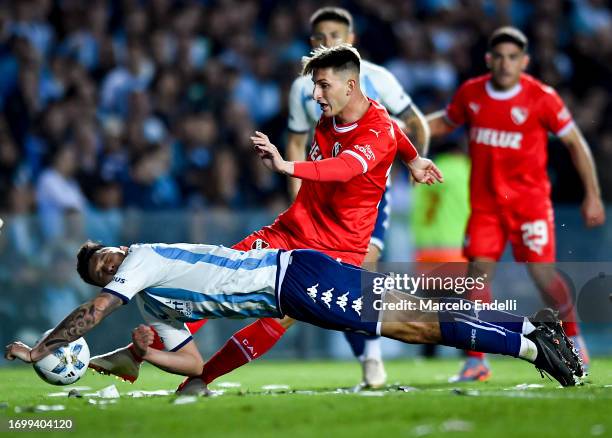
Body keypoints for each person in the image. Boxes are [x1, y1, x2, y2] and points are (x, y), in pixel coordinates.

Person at [87, 45, 442, 391]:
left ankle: (198, 378)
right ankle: (143, 352)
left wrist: (287, 166)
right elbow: (396, 133)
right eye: (315, 85)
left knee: (280, 317)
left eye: (323, 86)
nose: (316, 94)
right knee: (213, 277)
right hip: (290, 229)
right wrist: (413, 160)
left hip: (334, 250)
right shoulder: (339, 114)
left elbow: (345, 166)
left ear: (350, 84)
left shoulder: (374, 126)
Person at [5, 240, 583, 390]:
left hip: (293, 278)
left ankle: (530, 346)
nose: (110, 266)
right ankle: (533, 331)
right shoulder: (156, 298)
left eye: (106, 256)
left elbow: (92, 310)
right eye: (101, 269)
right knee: (413, 315)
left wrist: (41, 349)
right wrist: (143, 353)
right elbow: (194, 361)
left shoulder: (144, 259)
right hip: (294, 288)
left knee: (410, 325)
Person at [427, 26, 606, 381]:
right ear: (489, 60)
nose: (506, 64)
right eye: (500, 57)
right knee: (476, 280)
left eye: (514, 58)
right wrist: (404, 126)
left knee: (544, 277)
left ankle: (573, 336)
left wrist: (593, 194)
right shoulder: (472, 93)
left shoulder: (542, 97)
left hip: (531, 206)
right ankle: (477, 359)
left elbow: (575, 143)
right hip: (486, 209)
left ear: (524, 61)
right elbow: (445, 123)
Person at [285, 7, 431, 384]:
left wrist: (411, 164)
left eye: (334, 35)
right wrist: (298, 197)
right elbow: (297, 141)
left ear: (351, 40)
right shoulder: (303, 88)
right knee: (325, 280)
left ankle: (372, 356)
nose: (326, 42)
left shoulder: (378, 79)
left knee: (360, 272)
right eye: (318, 37)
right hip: (323, 201)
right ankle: (368, 354)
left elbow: (412, 121)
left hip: (370, 196)